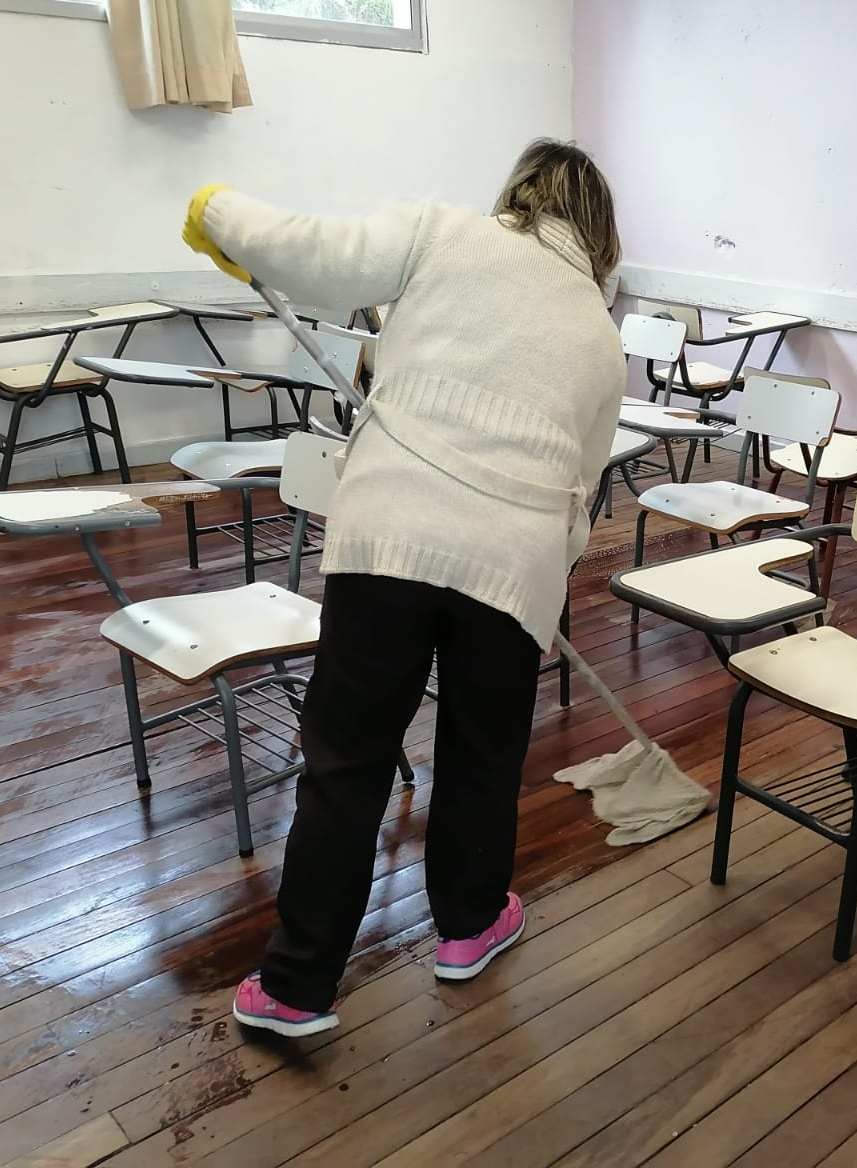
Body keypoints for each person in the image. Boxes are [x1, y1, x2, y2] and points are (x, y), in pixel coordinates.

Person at [182, 140, 627, 1037]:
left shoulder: (442, 232)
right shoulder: (602, 339)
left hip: (388, 534)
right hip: (514, 565)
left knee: (347, 762)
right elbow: (581, 496)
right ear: (599, 233)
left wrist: (217, 210)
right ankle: (469, 927)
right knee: (481, 755)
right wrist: (545, 577)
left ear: (520, 192)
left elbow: (312, 251)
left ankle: (296, 986)